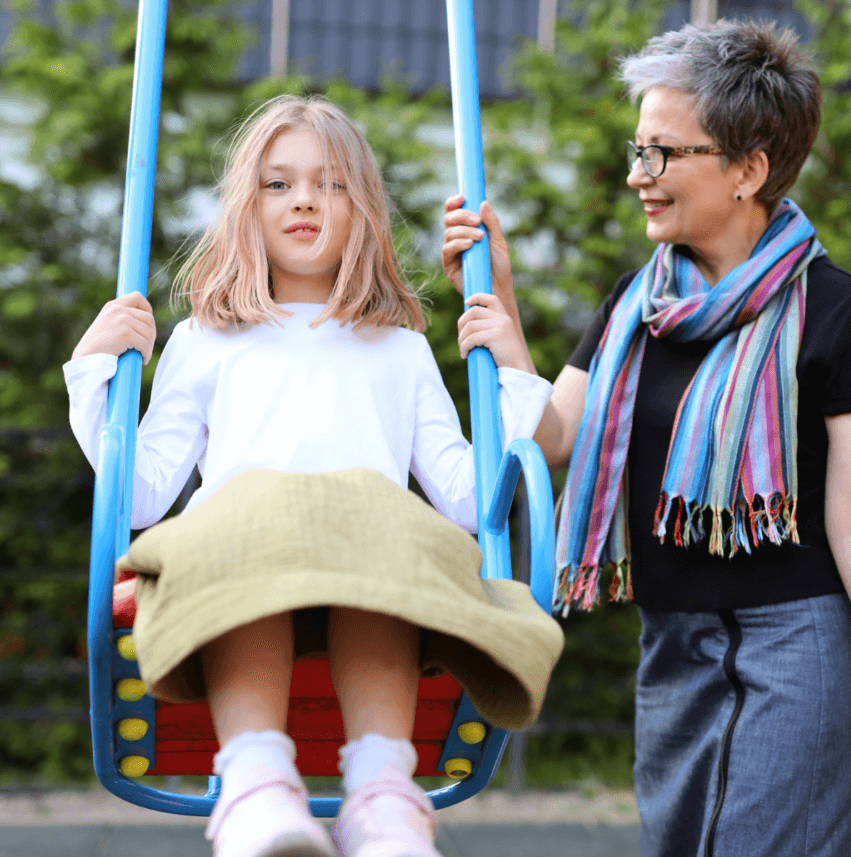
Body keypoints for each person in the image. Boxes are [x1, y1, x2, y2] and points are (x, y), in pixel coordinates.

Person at [442, 19, 851, 857]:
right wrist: (502, 307)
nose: (641, 175)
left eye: (665, 154)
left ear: (749, 168)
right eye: (639, 150)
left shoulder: (841, 314)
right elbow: (555, 436)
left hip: (799, 641)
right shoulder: (636, 306)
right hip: (672, 638)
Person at [65, 94, 564, 857]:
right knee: (255, 523)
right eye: (278, 184)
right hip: (243, 560)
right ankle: (256, 785)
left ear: (361, 207)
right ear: (246, 207)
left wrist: (514, 358)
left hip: (367, 562)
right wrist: (97, 368)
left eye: (330, 183)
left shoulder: (394, 349)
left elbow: (467, 499)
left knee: (378, 532)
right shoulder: (208, 341)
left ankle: (383, 794)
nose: (303, 198)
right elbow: (137, 493)